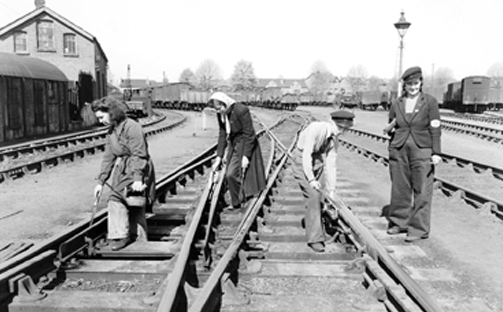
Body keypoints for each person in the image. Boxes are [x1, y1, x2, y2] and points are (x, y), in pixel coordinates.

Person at [385, 66, 442, 243]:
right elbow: (391, 124)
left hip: (422, 149)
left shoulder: (430, 102)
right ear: (405, 85)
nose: (412, 87)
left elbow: (435, 128)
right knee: (399, 187)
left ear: (421, 83)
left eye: (416, 83)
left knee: (422, 189)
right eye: (409, 84)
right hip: (399, 148)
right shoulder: (397, 103)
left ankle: (418, 229)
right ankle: (399, 222)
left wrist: (436, 152)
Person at [92, 97, 156, 251]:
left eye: (102, 117)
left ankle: (120, 236)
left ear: (111, 113)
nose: (101, 121)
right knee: (131, 199)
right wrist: (100, 182)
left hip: (137, 167)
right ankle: (138, 237)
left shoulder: (132, 127)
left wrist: (138, 178)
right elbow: (108, 157)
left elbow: (139, 154)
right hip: (122, 169)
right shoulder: (111, 131)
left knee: (118, 198)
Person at [293, 110, 355, 253]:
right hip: (302, 160)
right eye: (340, 128)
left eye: (345, 130)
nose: (341, 132)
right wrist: (311, 179)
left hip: (317, 161)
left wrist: (331, 190)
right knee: (313, 196)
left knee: (321, 197)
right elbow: (306, 154)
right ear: (332, 122)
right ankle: (315, 239)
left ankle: (319, 229)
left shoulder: (334, 140)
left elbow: (331, 164)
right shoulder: (316, 129)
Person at [207, 92, 266, 210]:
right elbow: (222, 134)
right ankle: (237, 201)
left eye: (219, 108)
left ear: (225, 104)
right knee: (230, 174)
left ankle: (247, 199)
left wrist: (246, 156)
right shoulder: (221, 114)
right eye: (216, 109)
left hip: (246, 142)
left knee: (247, 171)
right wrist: (219, 157)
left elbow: (250, 134)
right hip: (235, 143)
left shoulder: (241, 110)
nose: (218, 111)